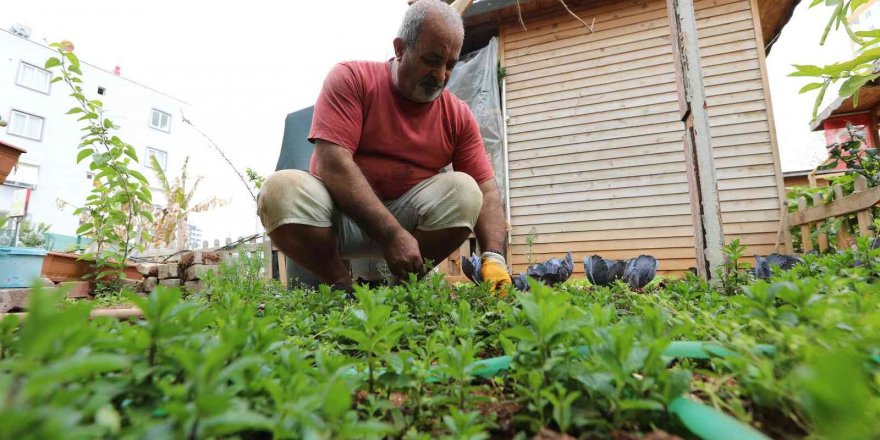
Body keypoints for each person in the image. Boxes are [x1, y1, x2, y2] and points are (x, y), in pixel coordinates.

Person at [257, 0, 511, 292]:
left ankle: (401, 290)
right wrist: (391, 235)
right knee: (279, 190)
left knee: (466, 190)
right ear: (400, 48)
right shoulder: (352, 79)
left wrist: (494, 258)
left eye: (450, 64)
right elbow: (332, 163)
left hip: (409, 219)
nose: (441, 75)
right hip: (339, 216)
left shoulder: (457, 115)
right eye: (431, 60)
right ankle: (341, 285)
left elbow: (486, 187)